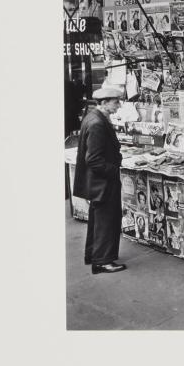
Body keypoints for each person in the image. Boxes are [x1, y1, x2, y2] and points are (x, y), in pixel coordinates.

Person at [73, 85, 127, 274]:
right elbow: (93, 159)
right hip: (102, 183)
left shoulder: (93, 117)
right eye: (115, 102)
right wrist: (113, 169)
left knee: (98, 221)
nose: (118, 106)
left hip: (97, 183)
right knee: (107, 221)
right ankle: (104, 261)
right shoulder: (97, 123)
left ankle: (95, 256)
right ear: (104, 103)